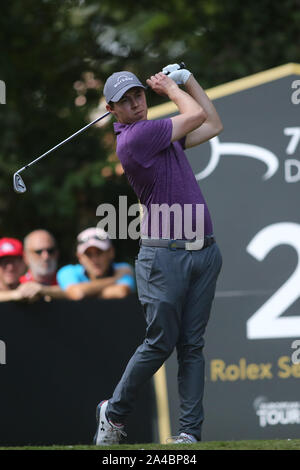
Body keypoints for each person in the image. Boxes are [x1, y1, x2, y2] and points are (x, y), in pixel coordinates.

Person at [93, 64, 223, 446]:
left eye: (138, 95)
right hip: (163, 259)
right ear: (111, 110)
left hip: (203, 251)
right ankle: (114, 413)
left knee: (192, 346)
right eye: (125, 101)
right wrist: (171, 86)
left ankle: (189, 435)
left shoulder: (160, 134)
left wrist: (188, 80)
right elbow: (195, 114)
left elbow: (213, 124)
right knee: (160, 343)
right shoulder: (136, 138)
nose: (136, 104)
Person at [57, 227, 135, 300]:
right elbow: (78, 293)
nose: (94, 259)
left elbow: (120, 292)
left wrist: (86, 291)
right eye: (88, 254)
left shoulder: (124, 268)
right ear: (80, 257)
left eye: (99, 252)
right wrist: (115, 279)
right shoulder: (67, 271)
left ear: (111, 252)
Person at [19, 229, 66, 301]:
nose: (46, 257)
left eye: (50, 251)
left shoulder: (67, 280)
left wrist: (43, 290)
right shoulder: (17, 285)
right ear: (26, 257)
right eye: (38, 252)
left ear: (57, 254)